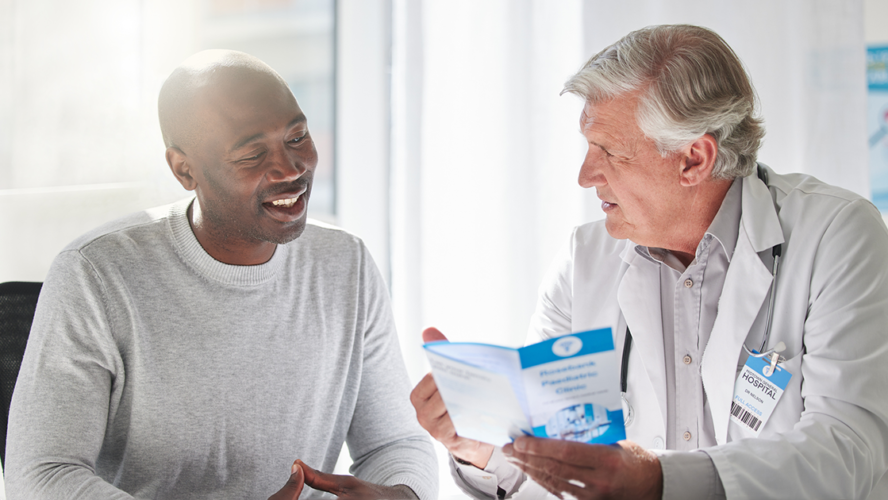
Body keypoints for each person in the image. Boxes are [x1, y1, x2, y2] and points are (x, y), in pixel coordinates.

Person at [410, 24, 888, 499]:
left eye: (610, 152)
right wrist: (484, 449)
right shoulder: (583, 265)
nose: (584, 175)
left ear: (694, 159)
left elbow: (849, 450)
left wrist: (660, 482)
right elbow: (557, 467)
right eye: (587, 147)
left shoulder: (837, 235)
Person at [5, 50, 437, 500]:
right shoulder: (94, 275)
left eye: (297, 136)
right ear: (184, 169)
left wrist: (400, 495)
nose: (291, 170)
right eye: (252, 155)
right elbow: (41, 475)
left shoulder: (347, 265)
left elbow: (395, 443)